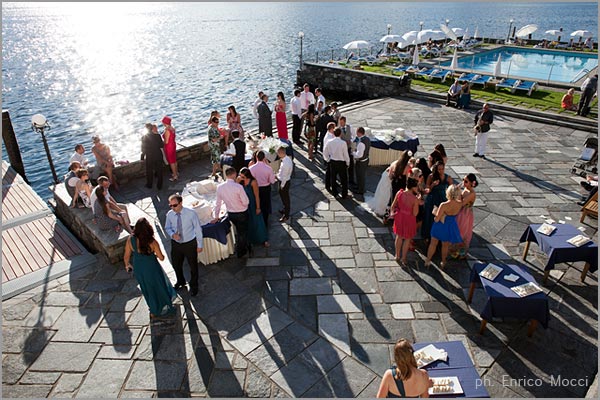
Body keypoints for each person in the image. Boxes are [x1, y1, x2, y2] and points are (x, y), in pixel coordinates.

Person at [123, 217, 177, 319]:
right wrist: (156, 255)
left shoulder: (130, 239)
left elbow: (126, 256)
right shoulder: (152, 242)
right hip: (152, 268)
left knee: (147, 289)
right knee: (158, 286)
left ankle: (153, 309)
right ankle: (162, 306)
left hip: (139, 269)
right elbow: (161, 258)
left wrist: (127, 265)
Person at [165, 194, 204, 296]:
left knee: (193, 266)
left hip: (189, 244)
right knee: (176, 264)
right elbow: (167, 227)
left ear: (181, 203)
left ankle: (194, 286)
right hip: (176, 244)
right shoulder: (169, 214)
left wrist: (199, 245)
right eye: (171, 206)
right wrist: (172, 235)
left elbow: (198, 229)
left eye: (175, 205)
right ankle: (180, 281)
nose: (173, 208)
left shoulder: (191, 213)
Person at [213, 167, 251, 258]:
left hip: (231, 214)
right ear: (234, 174)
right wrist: (244, 206)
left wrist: (216, 216)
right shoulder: (238, 187)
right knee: (242, 232)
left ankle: (243, 246)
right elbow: (246, 202)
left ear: (226, 175)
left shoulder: (220, 187)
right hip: (242, 213)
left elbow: (217, 203)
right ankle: (241, 251)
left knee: (239, 231)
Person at [425, 185, 463, 269]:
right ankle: (443, 261)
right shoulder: (460, 204)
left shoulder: (444, 205)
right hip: (450, 226)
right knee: (445, 245)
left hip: (440, 225)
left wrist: (435, 215)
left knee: (433, 244)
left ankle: (428, 260)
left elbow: (437, 219)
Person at [390, 178, 422, 265]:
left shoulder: (399, 193)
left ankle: (397, 255)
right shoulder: (414, 199)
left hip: (399, 217)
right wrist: (418, 201)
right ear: (413, 187)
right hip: (409, 218)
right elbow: (415, 213)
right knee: (407, 239)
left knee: (399, 236)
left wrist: (394, 214)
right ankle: (403, 258)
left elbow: (393, 206)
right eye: (416, 187)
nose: (418, 188)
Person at [421, 161, 453, 240]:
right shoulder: (431, 177)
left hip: (442, 198)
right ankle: (428, 234)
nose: (441, 171)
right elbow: (427, 189)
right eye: (439, 169)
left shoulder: (447, 177)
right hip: (432, 198)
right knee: (429, 216)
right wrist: (432, 185)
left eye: (442, 169)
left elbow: (452, 189)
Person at [238, 168, 269, 247]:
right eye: (240, 176)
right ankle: (251, 239)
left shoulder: (253, 182)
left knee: (257, 222)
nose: (242, 178)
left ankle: (263, 239)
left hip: (252, 204)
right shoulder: (239, 181)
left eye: (243, 177)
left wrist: (258, 207)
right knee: (248, 223)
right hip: (243, 205)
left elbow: (256, 196)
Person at [451, 173, 478, 259]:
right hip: (461, 212)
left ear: (471, 183)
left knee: (463, 232)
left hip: (465, 214)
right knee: (457, 230)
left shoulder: (472, 193)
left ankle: (461, 253)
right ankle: (455, 251)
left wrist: (457, 192)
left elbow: (462, 203)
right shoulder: (466, 189)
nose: (463, 182)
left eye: (466, 181)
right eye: (463, 180)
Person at [249, 150, 276, 227]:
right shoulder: (268, 168)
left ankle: (258, 222)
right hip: (266, 189)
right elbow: (272, 181)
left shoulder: (251, 168)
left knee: (257, 205)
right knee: (265, 206)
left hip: (255, 188)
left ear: (256, 157)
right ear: (264, 158)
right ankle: (265, 222)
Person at [323, 127, 351, 199]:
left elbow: (325, 152)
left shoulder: (329, 142)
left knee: (333, 178)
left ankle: (334, 193)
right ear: (340, 134)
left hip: (332, 162)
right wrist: (348, 163)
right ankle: (344, 194)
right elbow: (345, 154)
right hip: (341, 162)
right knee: (344, 179)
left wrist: (328, 160)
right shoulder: (343, 143)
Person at [141, 123, 164, 190]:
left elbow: (143, 149)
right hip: (158, 154)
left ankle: (149, 184)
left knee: (149, 170)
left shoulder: (143, 137)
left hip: (149, 156)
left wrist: (142, 157)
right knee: (159, 170)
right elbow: (161, 145)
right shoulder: (157, 136)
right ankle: (159, 185)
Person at [276, 146, 293, 222]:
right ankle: (285, 209)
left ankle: (286, 215)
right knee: (283, 197)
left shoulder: (286, 163)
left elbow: (285, 177)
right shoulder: (286, 159)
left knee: (286, 199)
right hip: (283, 180)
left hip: (284, 183)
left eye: (278, 153)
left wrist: (282, 186)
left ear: (281, 153)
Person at [353, 127, 370, 196]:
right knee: (360, 175)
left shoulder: (361, 143)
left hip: (361, 161)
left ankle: (360, 190)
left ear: (359, 133)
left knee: (360, 176)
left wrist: (353, 153)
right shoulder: (367, 139)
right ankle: (358, 186)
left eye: (357, 132)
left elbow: (359, 155)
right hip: (366, 159)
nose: (356, 134)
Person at [339, 116, 355, 185]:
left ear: (345, 122)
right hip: (342, 150)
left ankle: (351, 180)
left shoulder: (350, 127)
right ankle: (343, 180)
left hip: (348, 148)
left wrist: (350, 140)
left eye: (342, 123)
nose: (341, 124)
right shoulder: (338, 129)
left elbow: (354, 136)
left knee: (351, 165)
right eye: (340, 123)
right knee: (342, 165)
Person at [161, 116, 178, 181]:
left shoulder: (167, 130)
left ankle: (175, 176)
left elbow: (166, 141)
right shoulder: (172, 128)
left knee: (171, 161)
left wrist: (162, 142)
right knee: (174, 160)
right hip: (173, 145)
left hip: (169, 147)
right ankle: (176, 172)